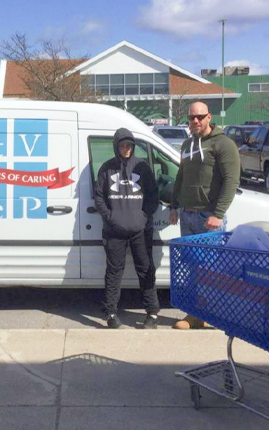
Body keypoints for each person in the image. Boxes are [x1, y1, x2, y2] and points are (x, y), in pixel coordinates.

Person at [169, 101, 240, 329]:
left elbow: (231, 180)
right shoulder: (187, 144)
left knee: (213, 271)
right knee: (192, 268)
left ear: (209, 117)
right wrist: (174, 205)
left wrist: (218, 213)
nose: (196, 121)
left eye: (200, 117)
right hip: (187, 216)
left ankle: (217, 315)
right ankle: (195, 314)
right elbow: (181, 177)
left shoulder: (223, 144)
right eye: (192, 118)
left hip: (209, 218)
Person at [94, 127, 160, 329]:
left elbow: (153, 197)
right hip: (114, 231)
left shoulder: (143, 167)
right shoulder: (106, 168)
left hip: (140, 230)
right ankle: (111, 313)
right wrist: (110, 217)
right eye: (122, 145)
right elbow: (99, 197)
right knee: (114, 272)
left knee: (146, 270)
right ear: (116, 147)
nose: (126, 149)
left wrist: (143, 217)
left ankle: (152, 314)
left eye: (129, 145)